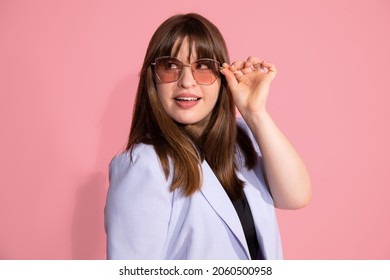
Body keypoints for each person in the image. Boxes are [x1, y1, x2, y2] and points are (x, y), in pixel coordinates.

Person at [104, 13, 311, 260]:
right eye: (170, 67)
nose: (187, 82)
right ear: (153, 79)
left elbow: (295, 197)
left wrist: (254, 111)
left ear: (223, 74)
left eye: (202, 66)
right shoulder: (144, 166)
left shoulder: (240, 138)